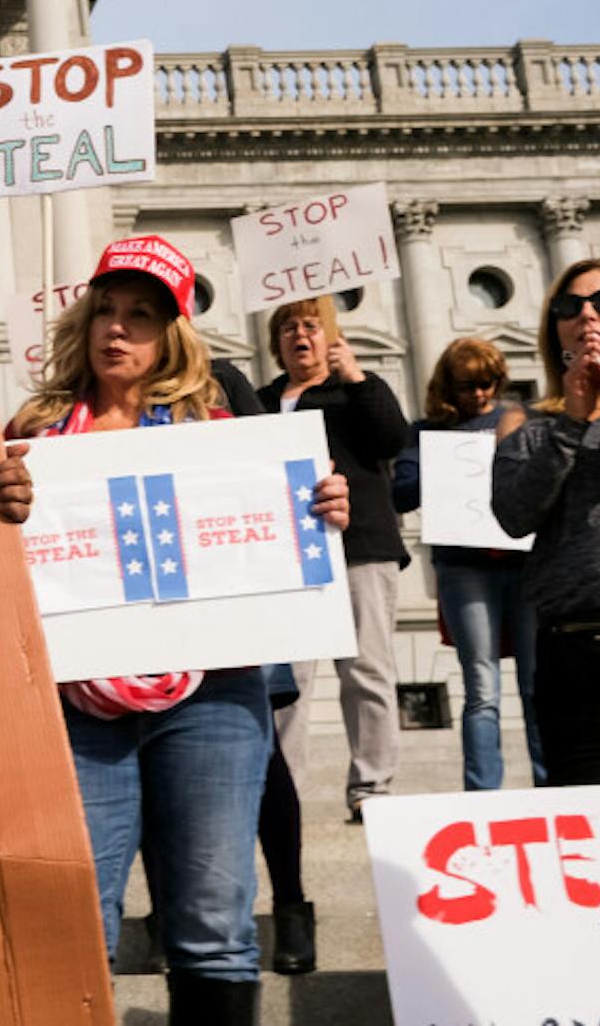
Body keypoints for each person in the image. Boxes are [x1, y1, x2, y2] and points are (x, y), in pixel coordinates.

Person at [0, 235, 348, 1025]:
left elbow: (281, 516)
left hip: (212, 698)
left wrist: (321, 510)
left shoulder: (221, 426)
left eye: (141, 316)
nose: (117, 329)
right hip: (75, 708)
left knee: (214, 924)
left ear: (173, 334)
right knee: (78, 922)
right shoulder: (33, 433)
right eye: (106, 311)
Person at [492, 260, 600, 785]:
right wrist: (571, 422)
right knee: (596, 831)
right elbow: (513, 517)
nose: (587, 315)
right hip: (582, 646)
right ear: (556, 331)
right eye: (570, 308)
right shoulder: (529, 425)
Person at [256, 295, 409, 823]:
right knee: (288, 681)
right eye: (290, 328)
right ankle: (285, 792)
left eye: (312, 326)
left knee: (367, 670)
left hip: (361, 547)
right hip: (289, 557)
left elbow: (394, 440)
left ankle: (370, 787)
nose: (301, 335)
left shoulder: (358, 390)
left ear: (330, 337)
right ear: (276, 343)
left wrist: (359, 379)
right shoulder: (264, 400)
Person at [392, 338, 542, 791]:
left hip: (524, 562)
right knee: (481, 686)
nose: (479, 394)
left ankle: (554, 786)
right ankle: (482, 793)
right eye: (467, 386)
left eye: (488, 383)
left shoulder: (523, 420)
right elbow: (400, 492)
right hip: (463, 566)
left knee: (538, 684)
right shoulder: (427, 431)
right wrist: (440, 471)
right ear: (447, 386)